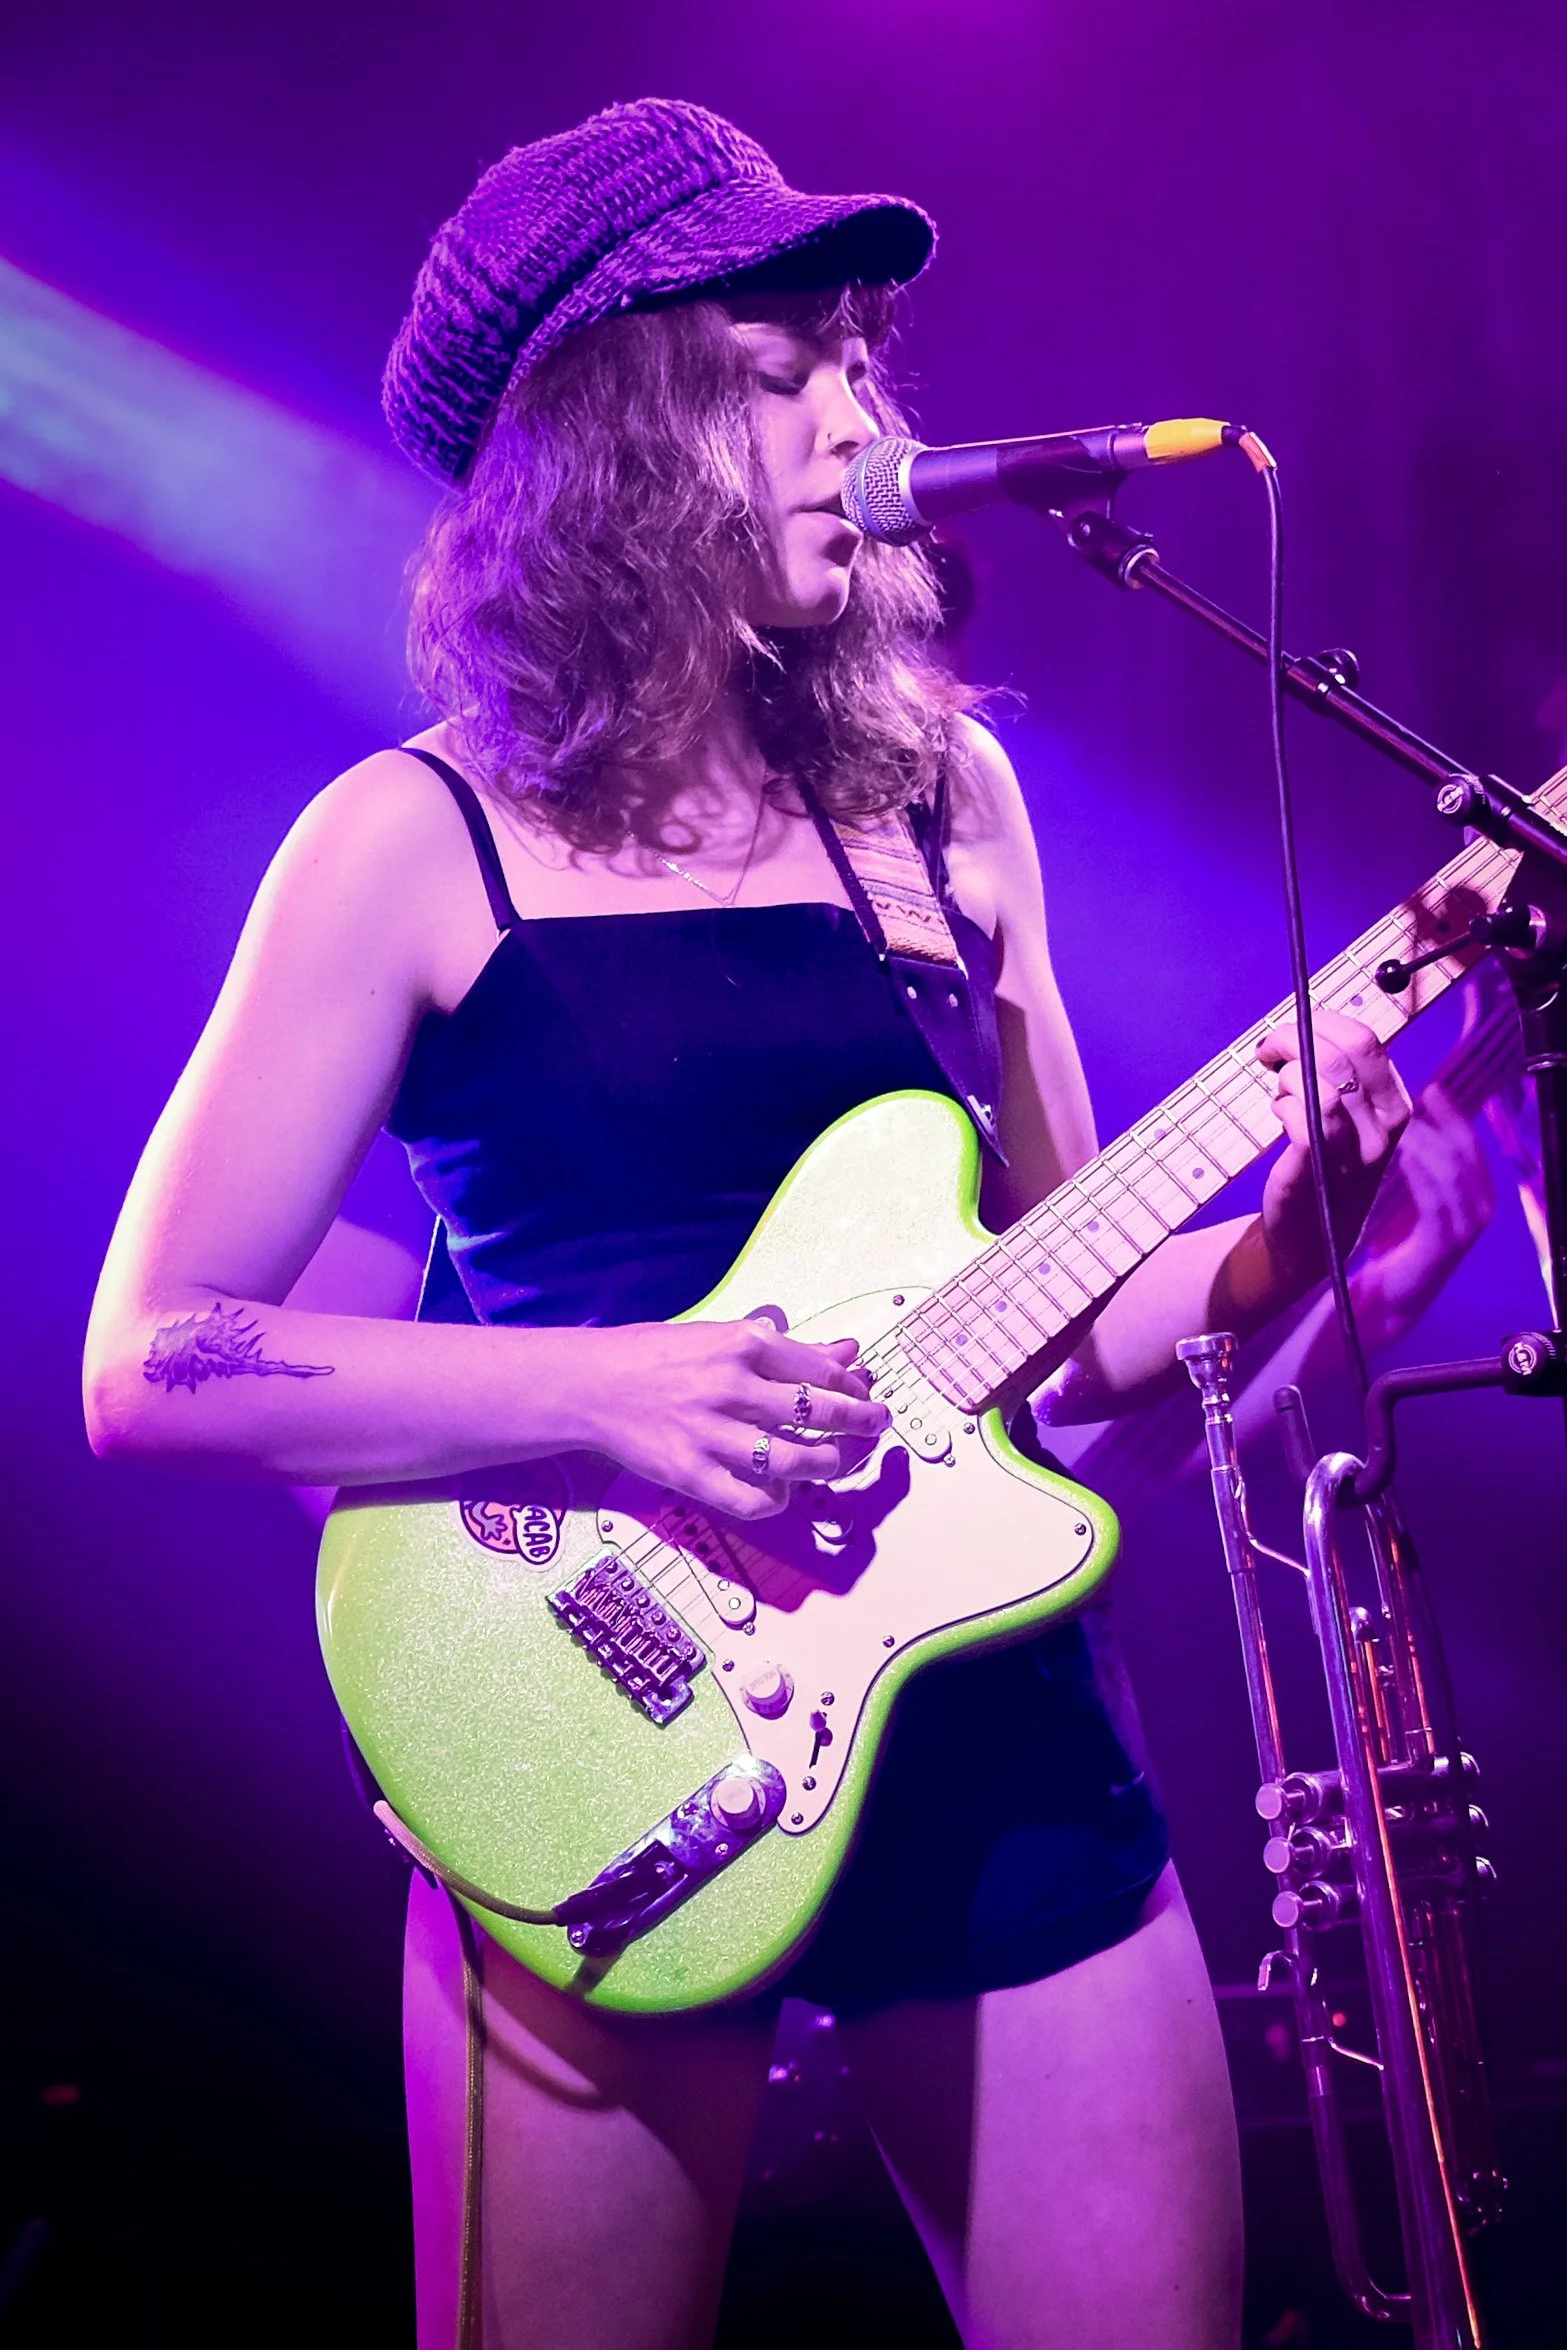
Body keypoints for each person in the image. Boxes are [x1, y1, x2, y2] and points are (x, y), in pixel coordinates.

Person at [83, 99, 1414, 2350]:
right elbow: (149, 1358)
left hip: (992, 1732)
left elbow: (1071, 1316)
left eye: (856, 361)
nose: (859, 420)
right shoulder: (406, 843)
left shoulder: (943, 801)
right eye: (779, 371)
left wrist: (1294, 1237)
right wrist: (618, 1392)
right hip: (592, 1723)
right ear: (605, 441)